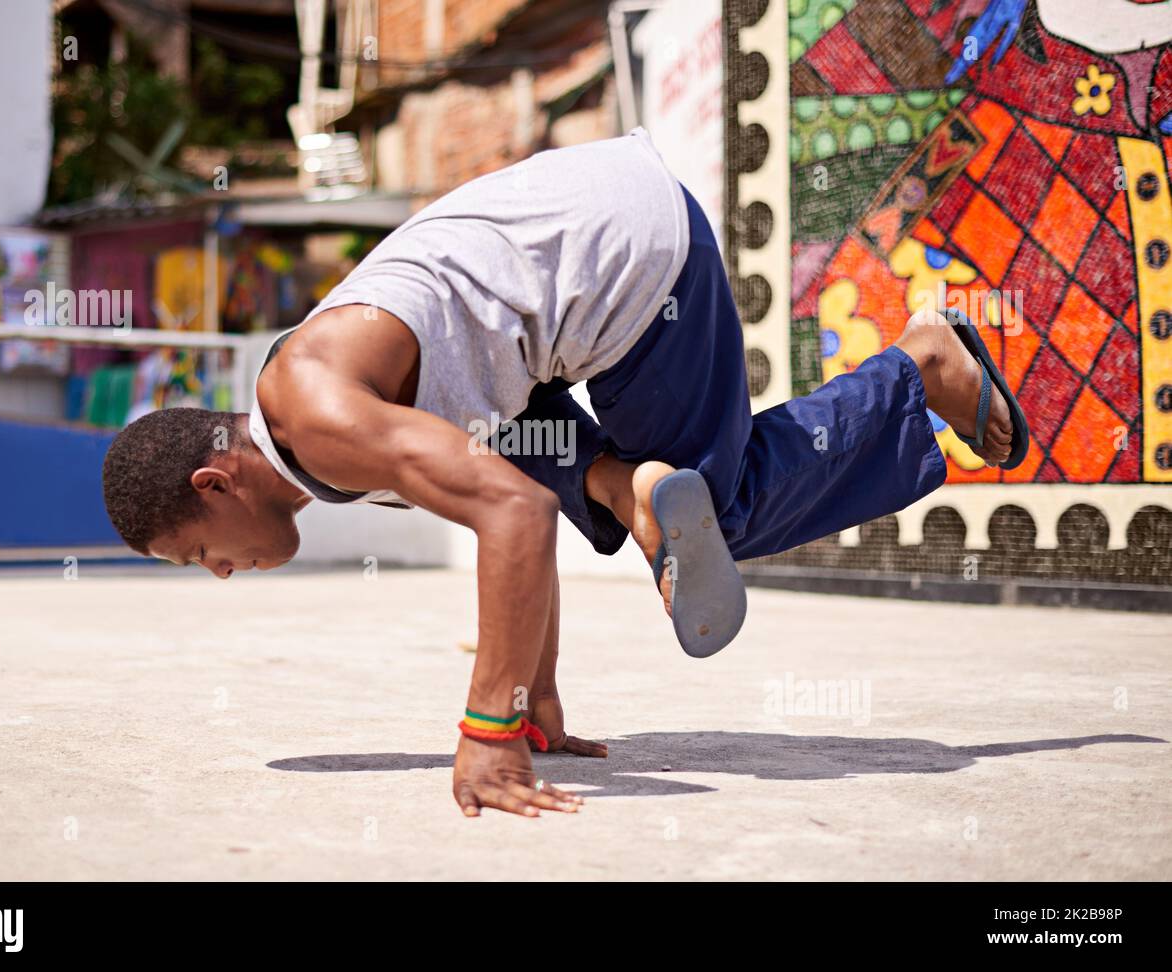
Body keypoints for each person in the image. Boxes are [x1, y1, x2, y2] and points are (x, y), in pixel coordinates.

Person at [102, 129, 1026, 818]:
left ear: (215, 487)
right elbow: (510, 492)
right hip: (584, 254)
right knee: (517, 455)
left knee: (725, 511)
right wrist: (532, 695)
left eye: (199, 558)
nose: (222, 575)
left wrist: (488, 735)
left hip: (628, 262)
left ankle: (920, 367)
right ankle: (625, 483)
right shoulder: (314, 408)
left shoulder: (319, 417)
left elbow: (511, 518)